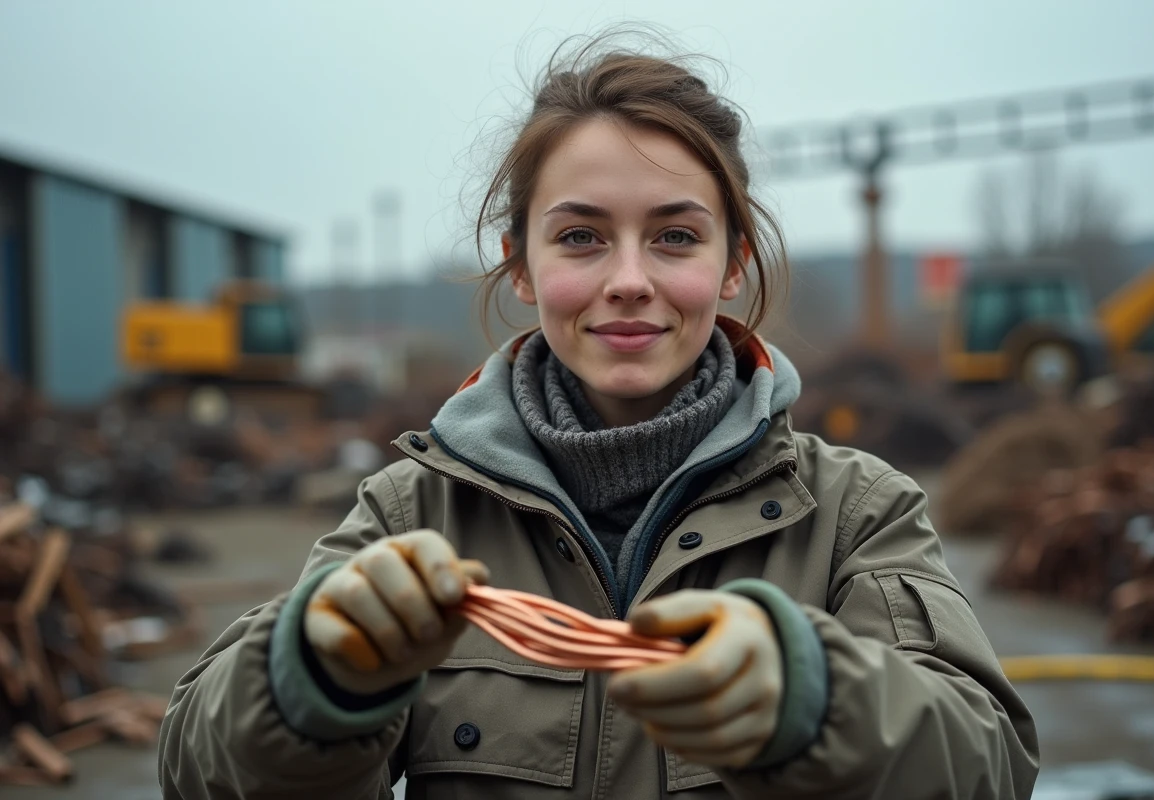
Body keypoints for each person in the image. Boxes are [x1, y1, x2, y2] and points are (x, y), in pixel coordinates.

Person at [158, 34, 1038, 800]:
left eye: (675, 236)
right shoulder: (409, 514)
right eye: (580, 236)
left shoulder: (854, 513)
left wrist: (818, 702)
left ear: (733, 261)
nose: (628, 278)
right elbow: (197, 775)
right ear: (523, 268)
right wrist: (307, 681)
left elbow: (988, 767)